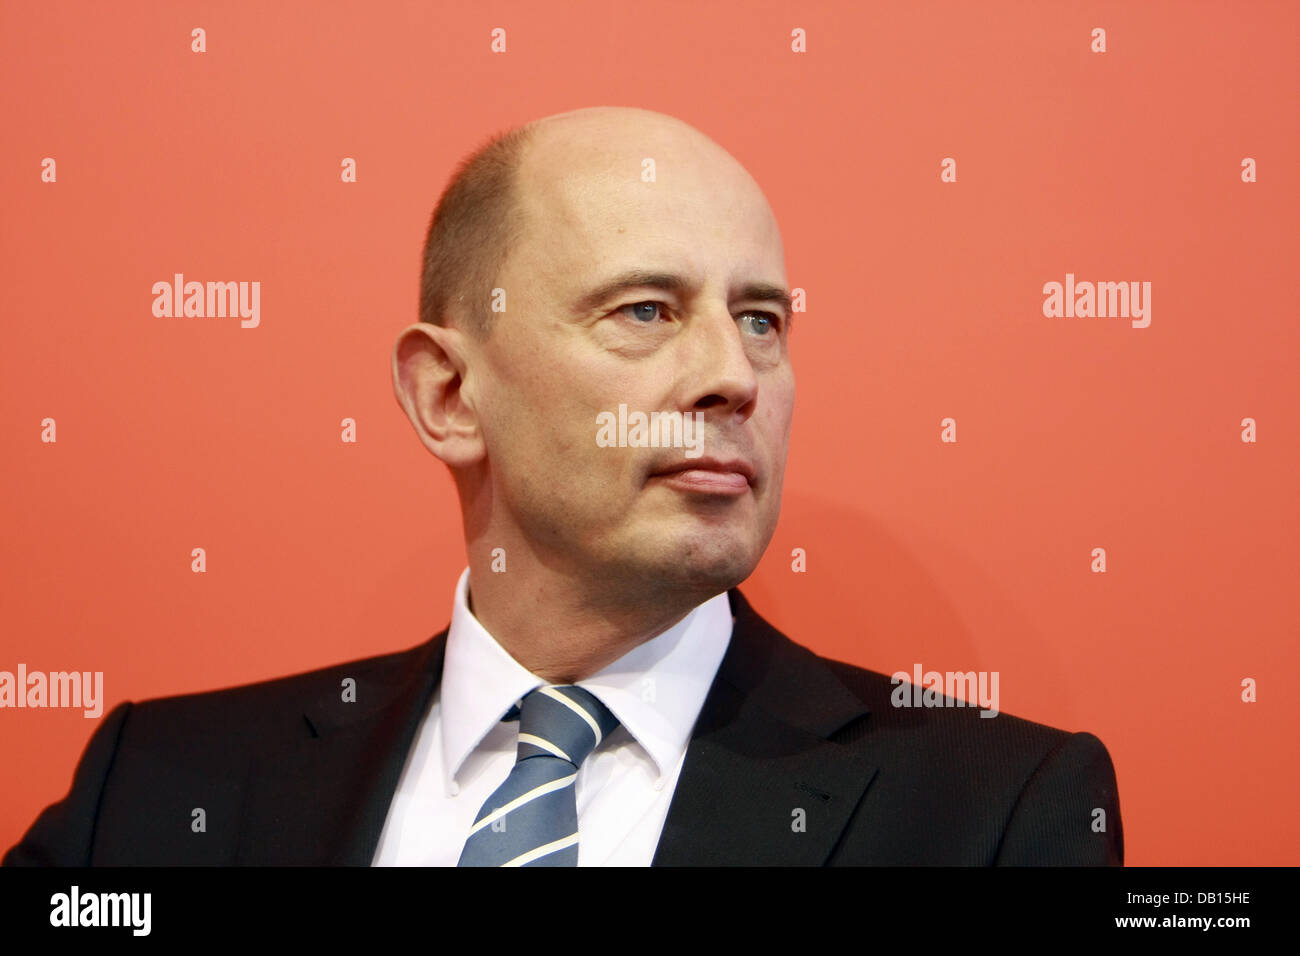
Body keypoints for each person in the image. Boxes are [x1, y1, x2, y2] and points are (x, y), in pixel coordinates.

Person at [4, 106, 1122, 866]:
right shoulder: (155, 793)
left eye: (761, 320)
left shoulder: (991, 814)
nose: (734, 375)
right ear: (447, 392)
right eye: (644, 309)